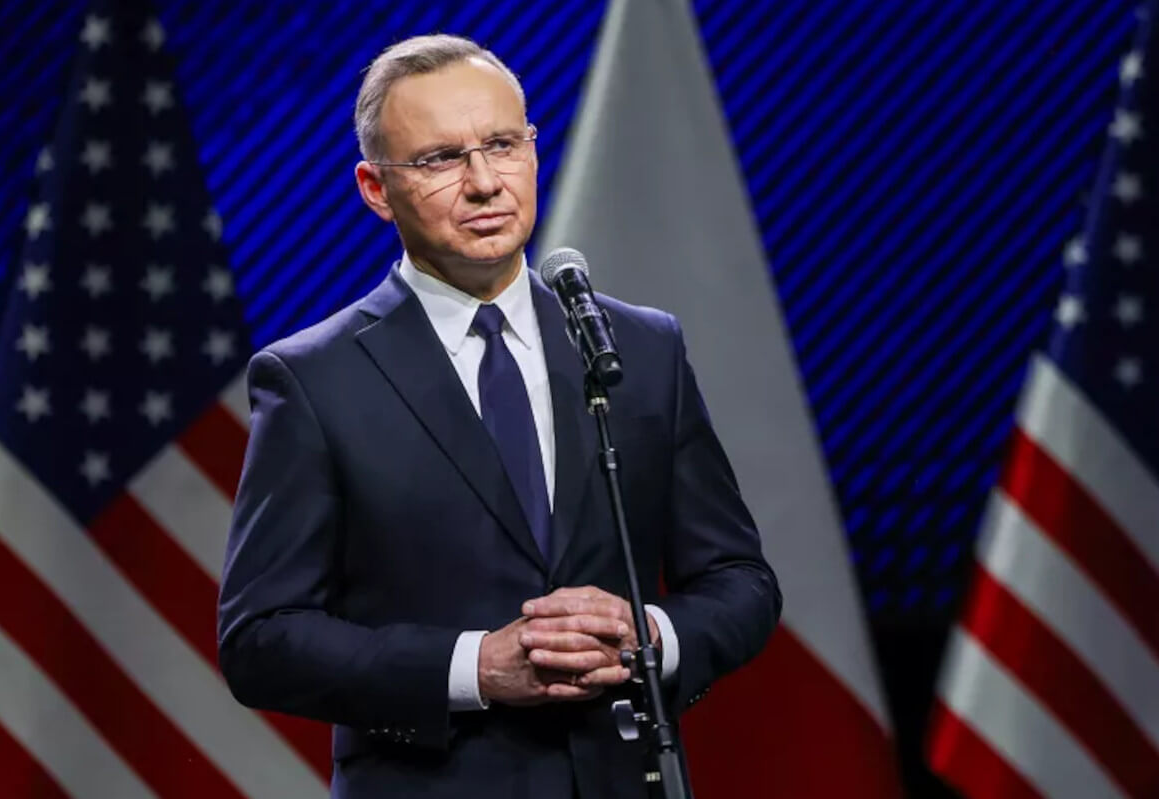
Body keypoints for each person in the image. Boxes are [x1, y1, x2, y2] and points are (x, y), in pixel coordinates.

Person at [217, 34, 781, 799]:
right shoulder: (313, 380)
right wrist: (474, 667)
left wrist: (652, 636)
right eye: (441, 159)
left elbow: (739, 580)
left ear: (533, 150)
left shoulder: (638, 349)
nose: (485, 182)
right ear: (376, 189)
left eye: (503, 145)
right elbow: (260, 638)